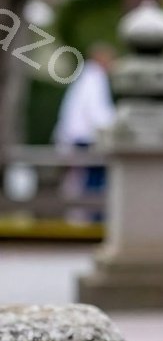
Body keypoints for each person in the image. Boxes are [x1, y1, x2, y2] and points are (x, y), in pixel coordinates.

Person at [56, 43, 115, 219]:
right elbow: (96, 112)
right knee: (92, 180)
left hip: (78, 136)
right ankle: (92, 218)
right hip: (86, 138)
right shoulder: (95, 78)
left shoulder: (86, 77)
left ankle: (86, 217)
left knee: (82, 179)